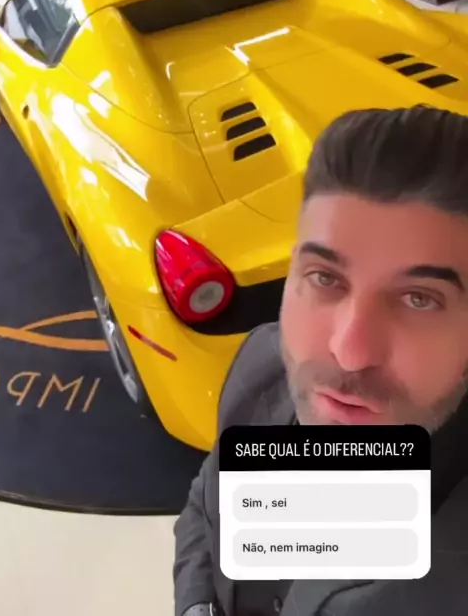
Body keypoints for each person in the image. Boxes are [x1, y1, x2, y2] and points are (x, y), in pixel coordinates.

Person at [174, 105, 468, 616]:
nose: (350, 354)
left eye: (419, 299)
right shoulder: (260, 368)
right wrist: (196, 605)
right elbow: (208, 499)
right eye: (326, 278)